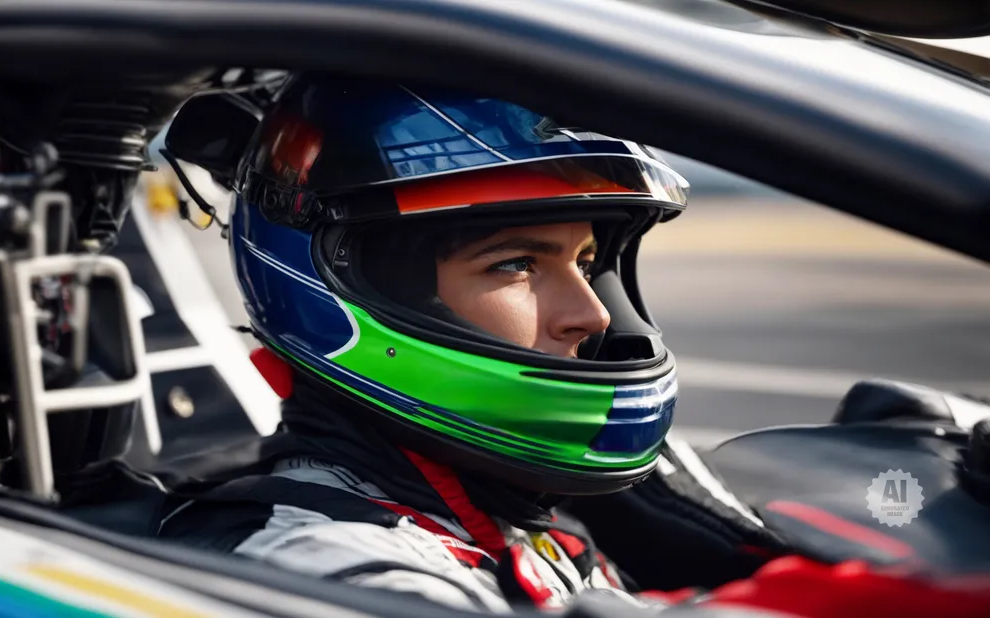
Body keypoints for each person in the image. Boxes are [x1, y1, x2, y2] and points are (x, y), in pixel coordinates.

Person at [159, 74, 990, 616]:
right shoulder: (316, 566)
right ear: (359, 287)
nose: (590, 315)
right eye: (516, 263)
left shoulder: (507, 510)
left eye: (588, 260)